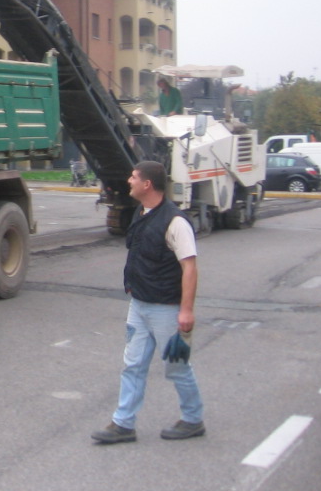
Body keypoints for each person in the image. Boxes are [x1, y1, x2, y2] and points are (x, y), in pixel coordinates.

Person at [91, 160, 205, 444]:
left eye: (133, 177)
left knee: (176, 366)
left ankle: (193, 419)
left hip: (166, 309)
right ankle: (123, 424)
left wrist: (186, 311)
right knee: (132, 365)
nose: (129, 181)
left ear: (147, 184)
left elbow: (189, 267)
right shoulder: (140, 213)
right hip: (139, 305)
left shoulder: (176, 222)